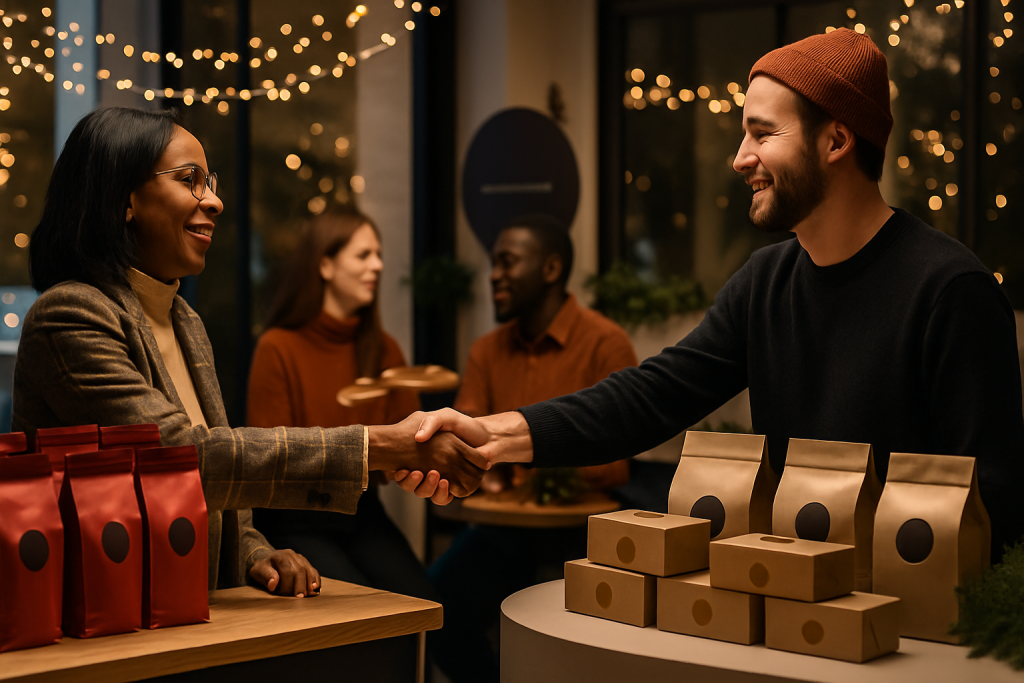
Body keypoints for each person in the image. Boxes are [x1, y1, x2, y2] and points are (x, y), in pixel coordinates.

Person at [403, 29, 1024, 560]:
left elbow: (992, 501)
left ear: (835, 142)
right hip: (796, 600)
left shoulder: (949, 290)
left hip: (915, 624)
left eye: (761, 134)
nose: (738, 159)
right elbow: (651, 398)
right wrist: (492, 436)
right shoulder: (764, 284)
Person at [13, 107, 486, 596]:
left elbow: (213, 493)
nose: (215, 202)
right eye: (190, 180)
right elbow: (181, 460)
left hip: (181, 604)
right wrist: (382, 445)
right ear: (123, 200)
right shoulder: (70, 314)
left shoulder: (184, 320)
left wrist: (254, 553)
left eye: (210, 181)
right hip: (104, 614)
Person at [430, 215, 637, 683]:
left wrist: (512, 467)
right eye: (493, 263)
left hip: (582, 534)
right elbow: (461, 443)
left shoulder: (604, 343)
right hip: (505, 530)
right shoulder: (486, 350)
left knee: (568, 643)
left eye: (507, 262)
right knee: (437, 612)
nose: (494, 274)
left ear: (550, 269)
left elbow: (616, 464)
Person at [246, 206, 436, 602]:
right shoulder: (278, 347)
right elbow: (271, 459)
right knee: (360, 608)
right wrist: (376, 449)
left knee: (423, 602)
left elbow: (410, 448)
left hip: (362, 514)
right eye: (364, 255)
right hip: (298, 519)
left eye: (378, 254)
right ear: (326, 265)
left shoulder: (383, 349)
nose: (378, 265)